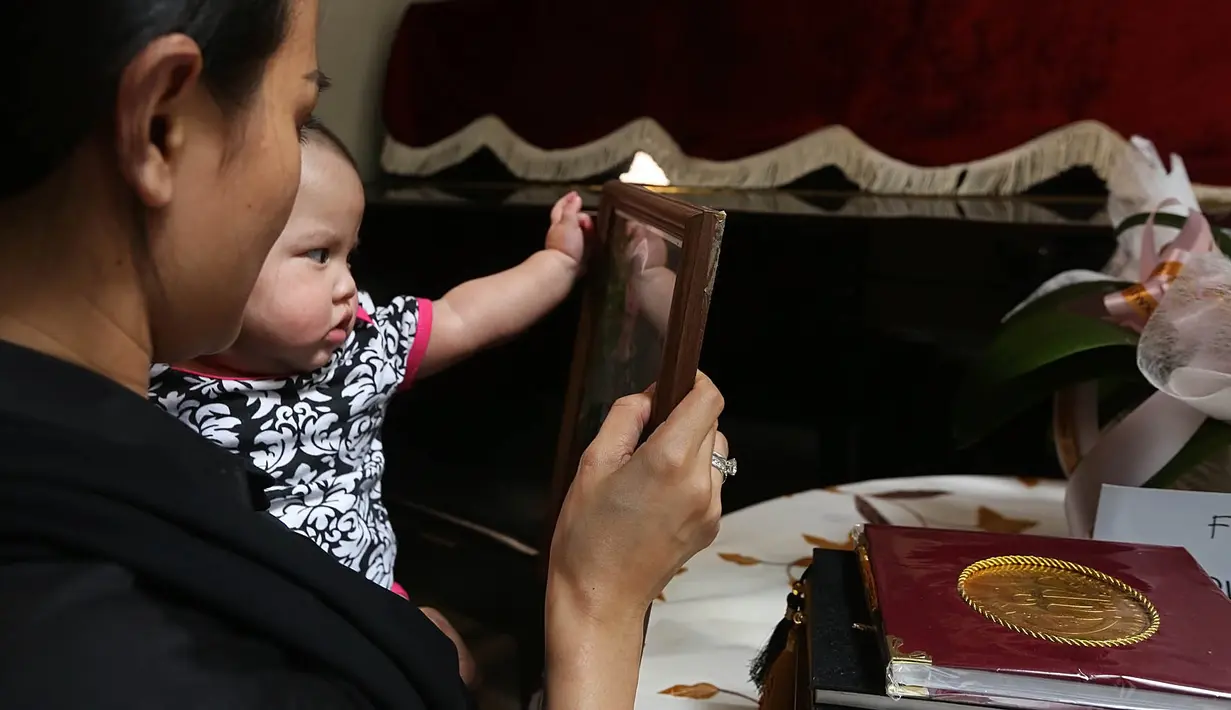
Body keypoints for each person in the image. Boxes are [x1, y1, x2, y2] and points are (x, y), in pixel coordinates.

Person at [0, 2, 729, 710]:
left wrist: (381, 631)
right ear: (160, 126)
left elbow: (461, 318)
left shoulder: (91, 459)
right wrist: (596, 602)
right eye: (299, 114)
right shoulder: (113, 640)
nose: (346, 283)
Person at [148, 122, 591, 606]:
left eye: (348, 257)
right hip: (239, 623)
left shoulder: (365, 340)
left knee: (443, 648)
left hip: (370, 603)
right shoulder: (149, 376)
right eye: (319, 254)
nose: (348, 286)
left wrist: (558, 263)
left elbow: (464, 317)